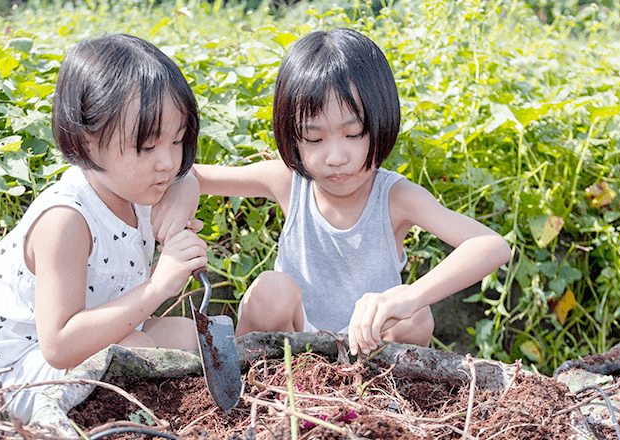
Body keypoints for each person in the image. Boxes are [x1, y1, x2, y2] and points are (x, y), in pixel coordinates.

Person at [161, 28, 512, 357]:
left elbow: (491, 245)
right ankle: (247, 376)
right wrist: (185, 188)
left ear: (379, 123)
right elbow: (186, 172)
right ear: (292, 137)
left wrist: (408, 296)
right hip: (291, 349)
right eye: (314, 139)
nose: (335, 158)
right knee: (270, 290)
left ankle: (396, 399)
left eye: (353, 134)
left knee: (416, 317)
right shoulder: (289, 181)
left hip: (368, 350)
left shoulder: (394, 197)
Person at [0, 34, 207, 423]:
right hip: (5, 381)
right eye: (148, 146)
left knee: (186, 336)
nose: (168, 163)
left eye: (177, 140)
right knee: (135, 349)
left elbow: (195, 177)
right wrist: (158, 286)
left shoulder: (134, 181)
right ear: (88, 138)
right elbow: (59, 345)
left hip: (85, 352)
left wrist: (184, 193)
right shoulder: (66, 221)